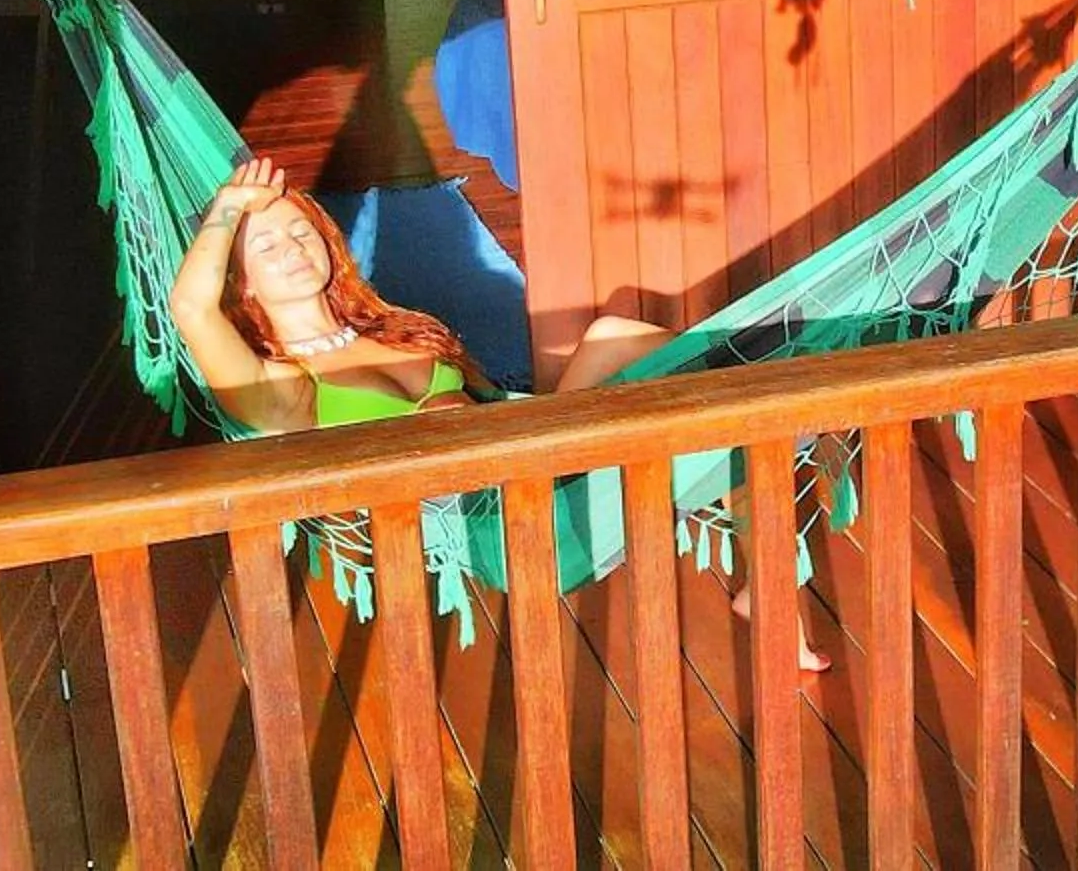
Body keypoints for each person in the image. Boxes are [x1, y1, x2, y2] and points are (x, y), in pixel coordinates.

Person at [171, 159, 824, 667]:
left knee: (618, 332)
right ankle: (793, 411)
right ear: (241, 280)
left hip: (530, 448)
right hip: (509, 527)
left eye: (299, 230)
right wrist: (227, 211)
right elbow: (191, 311)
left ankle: (776, 437)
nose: (292, 248)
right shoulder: (283, 389)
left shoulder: (381, 325)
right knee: (745, 422)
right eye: (266, 247)